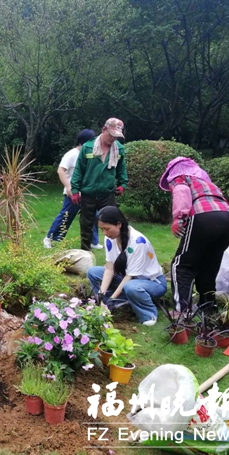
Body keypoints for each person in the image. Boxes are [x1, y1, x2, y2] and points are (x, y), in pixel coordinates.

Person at [159, 156, 229, 314]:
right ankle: (208, 308)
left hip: (205, 217)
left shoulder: (180, 177)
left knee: (181, 265)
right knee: (209, 265)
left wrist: (178, 218)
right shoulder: (206, 183)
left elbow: (181, 193)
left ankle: (182, 311)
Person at [87, 206, 167, 326]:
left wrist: (111, 299)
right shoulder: (109, 239)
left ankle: (148, 315)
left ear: (119, 224)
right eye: (102, 229)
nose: (104, 233)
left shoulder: (138, 242)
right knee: (93, 272)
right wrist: (101, 295)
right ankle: (116, 303)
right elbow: (110, 268)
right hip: (127, 279)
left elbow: (130, 276)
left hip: (152, 283)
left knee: (131, 286)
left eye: (107, 229)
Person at [71, 118, 128, 251]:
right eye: (111, 135)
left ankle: (115, 252)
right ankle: (85, 252)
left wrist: (122, 184)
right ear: (103, 130)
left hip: (107, 193)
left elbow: (121, 169)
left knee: (112, 223)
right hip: (88, 193)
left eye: (116, 137)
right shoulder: (88, 147)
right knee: (86, 224)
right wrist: (75, 190)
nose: (113, 139)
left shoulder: (119, 149)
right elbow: (78, 170)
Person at [43, 129, 102, 249]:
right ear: (83, 142)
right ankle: (50, 238)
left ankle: (93, 241)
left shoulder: (90, 154)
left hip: (88, 193)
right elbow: (60, 170)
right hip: (73, 193)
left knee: (92, 216)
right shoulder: (71, 154)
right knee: (66, 216)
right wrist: (68, 187)